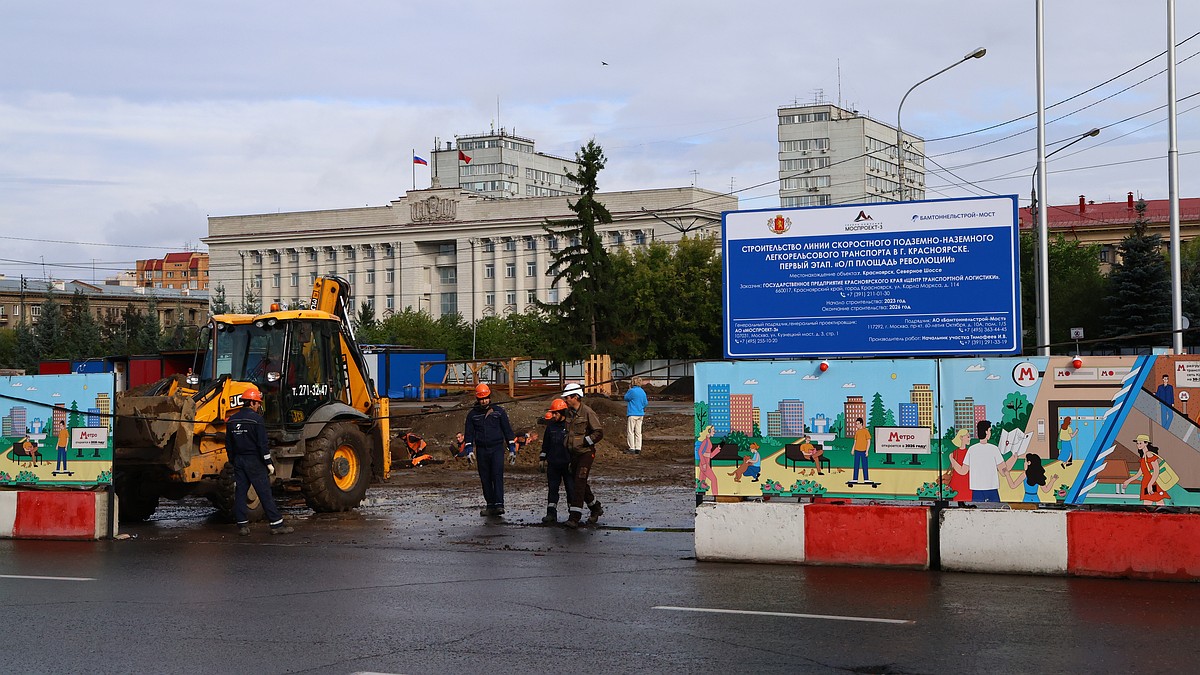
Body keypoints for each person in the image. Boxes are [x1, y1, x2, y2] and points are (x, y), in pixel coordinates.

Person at [226, 386, 293, 535]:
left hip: (239, 460)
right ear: (251, 403)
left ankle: (242, 526)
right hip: (254, 461)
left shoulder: (232, 420)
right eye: (257, 403)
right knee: (264, 493)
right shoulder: (257, 420)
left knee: (240, 493)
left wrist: (233, 460)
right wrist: (268, 463)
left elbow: (228, 445)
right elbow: (262, 445)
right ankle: (276, 525)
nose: (258, 406)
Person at [463, 383, 515, 517]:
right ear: (477, 399)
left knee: (497, 475)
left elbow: (507, 431)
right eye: (481, 399)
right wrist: (469, 450)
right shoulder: (472, 415)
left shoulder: (499, 412)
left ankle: (499, 505)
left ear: (489, 397)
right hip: (482, 450)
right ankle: (490, 505)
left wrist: (512, 449)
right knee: (485, 478)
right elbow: (469, 434)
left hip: (497, 448)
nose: (484, 401)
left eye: (486, 398)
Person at [562, 382, 605, 528]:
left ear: (575, 397)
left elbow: (598, 432)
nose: (565, 400)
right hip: (573, 454)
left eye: (567, 397)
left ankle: (574, 517)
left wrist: (585, 441)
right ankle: (595, 508)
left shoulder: (587, 412)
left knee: (579, 483)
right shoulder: (568, 412)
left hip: (586, 453)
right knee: (579, 482)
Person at [950, 420, 1019, 503]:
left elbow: (963, 471)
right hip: (991, 489)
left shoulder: (972, 449)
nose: (990, 433)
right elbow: (1003, 471)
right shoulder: (994, 449)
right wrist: (1013, 458)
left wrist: (952, 460)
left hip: (977, 490)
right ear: (986, 432)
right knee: (995, 512)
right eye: (990, 430)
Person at [537, 399, 576, 524]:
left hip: (567, 464)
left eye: (555, 413)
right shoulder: (550, 427)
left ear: (562, 413)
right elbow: (546, 445)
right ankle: (551, 514)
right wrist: (542, 458)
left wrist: (573, 461)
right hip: (553, 464)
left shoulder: (570, 427)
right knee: (552, 489)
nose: (553, 416)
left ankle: (573, 515)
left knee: (571, 489)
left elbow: (575, 445)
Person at [1121, 434, 1171, 505]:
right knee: (1152, 501)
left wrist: (1150, 485)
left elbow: (1156, 470)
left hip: (1152, 482)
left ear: (1146, 443)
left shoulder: (1149, 454)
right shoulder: (1144, 456)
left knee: (1154, 500)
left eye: (1140, 443)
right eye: (1137, 443)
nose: (1138, 445)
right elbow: (1139, 473)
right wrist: (1128, 481)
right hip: (1146, 482)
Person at [946, 428, 972, 503]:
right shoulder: (955, 453)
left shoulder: (954, 454)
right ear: (961, 437)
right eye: (967, 436)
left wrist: (951, 459)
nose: (969, 439)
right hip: (958, 481)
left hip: (965, 481)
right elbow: (962, 471)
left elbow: (963, 471)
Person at [623, 376, 648, 455]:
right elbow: (645, 403)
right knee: (638, 432)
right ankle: (638, 448)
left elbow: (626, 398)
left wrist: (629, 390)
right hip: (640, 414)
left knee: (630, 431)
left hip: (632, 413)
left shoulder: (632, 391)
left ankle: (632, 448)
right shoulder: (642, 391)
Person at [696, 425, 719, 497]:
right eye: (713, 430)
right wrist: (703, 464)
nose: (714, 432)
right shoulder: (705, 441)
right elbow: (700, 452)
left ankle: (700, 497)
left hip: (705, 463)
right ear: (709, 431)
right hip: (704, 464)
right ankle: (715, 495)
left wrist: (717, 450)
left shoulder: (708, 440)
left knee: (701, 483)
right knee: (714, 479)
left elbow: (710, 455)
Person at [851, 417, 871, 483]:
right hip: (857, 450)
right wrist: (853, 449)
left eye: (858, 424)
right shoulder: (857, 432)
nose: (857, 425)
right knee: (856, 465)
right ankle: (855, 479)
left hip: (864, 451)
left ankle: (866, 479)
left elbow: (868, 441)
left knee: (865, 465)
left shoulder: (866, 431)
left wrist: (867, 451)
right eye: (856, 424)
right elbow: (855, 442)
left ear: (861, 424)